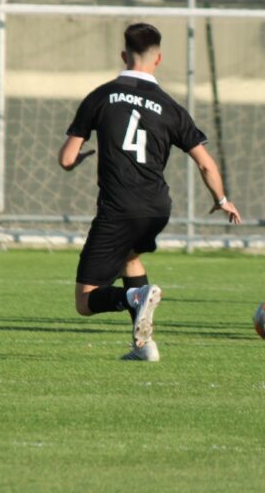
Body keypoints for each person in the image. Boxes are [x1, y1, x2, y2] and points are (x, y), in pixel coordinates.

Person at [58, 23, 241, 361]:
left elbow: (66, 158)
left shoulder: (101, 96)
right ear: (158, 59)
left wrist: (79, 159)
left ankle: (132, 298)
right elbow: (206, 164)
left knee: (84, 301)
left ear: (123, 56)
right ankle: (144, 347)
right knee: (130, 258)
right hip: (157, 208)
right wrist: (222, 200)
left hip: (118, 208)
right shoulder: (171, 107)